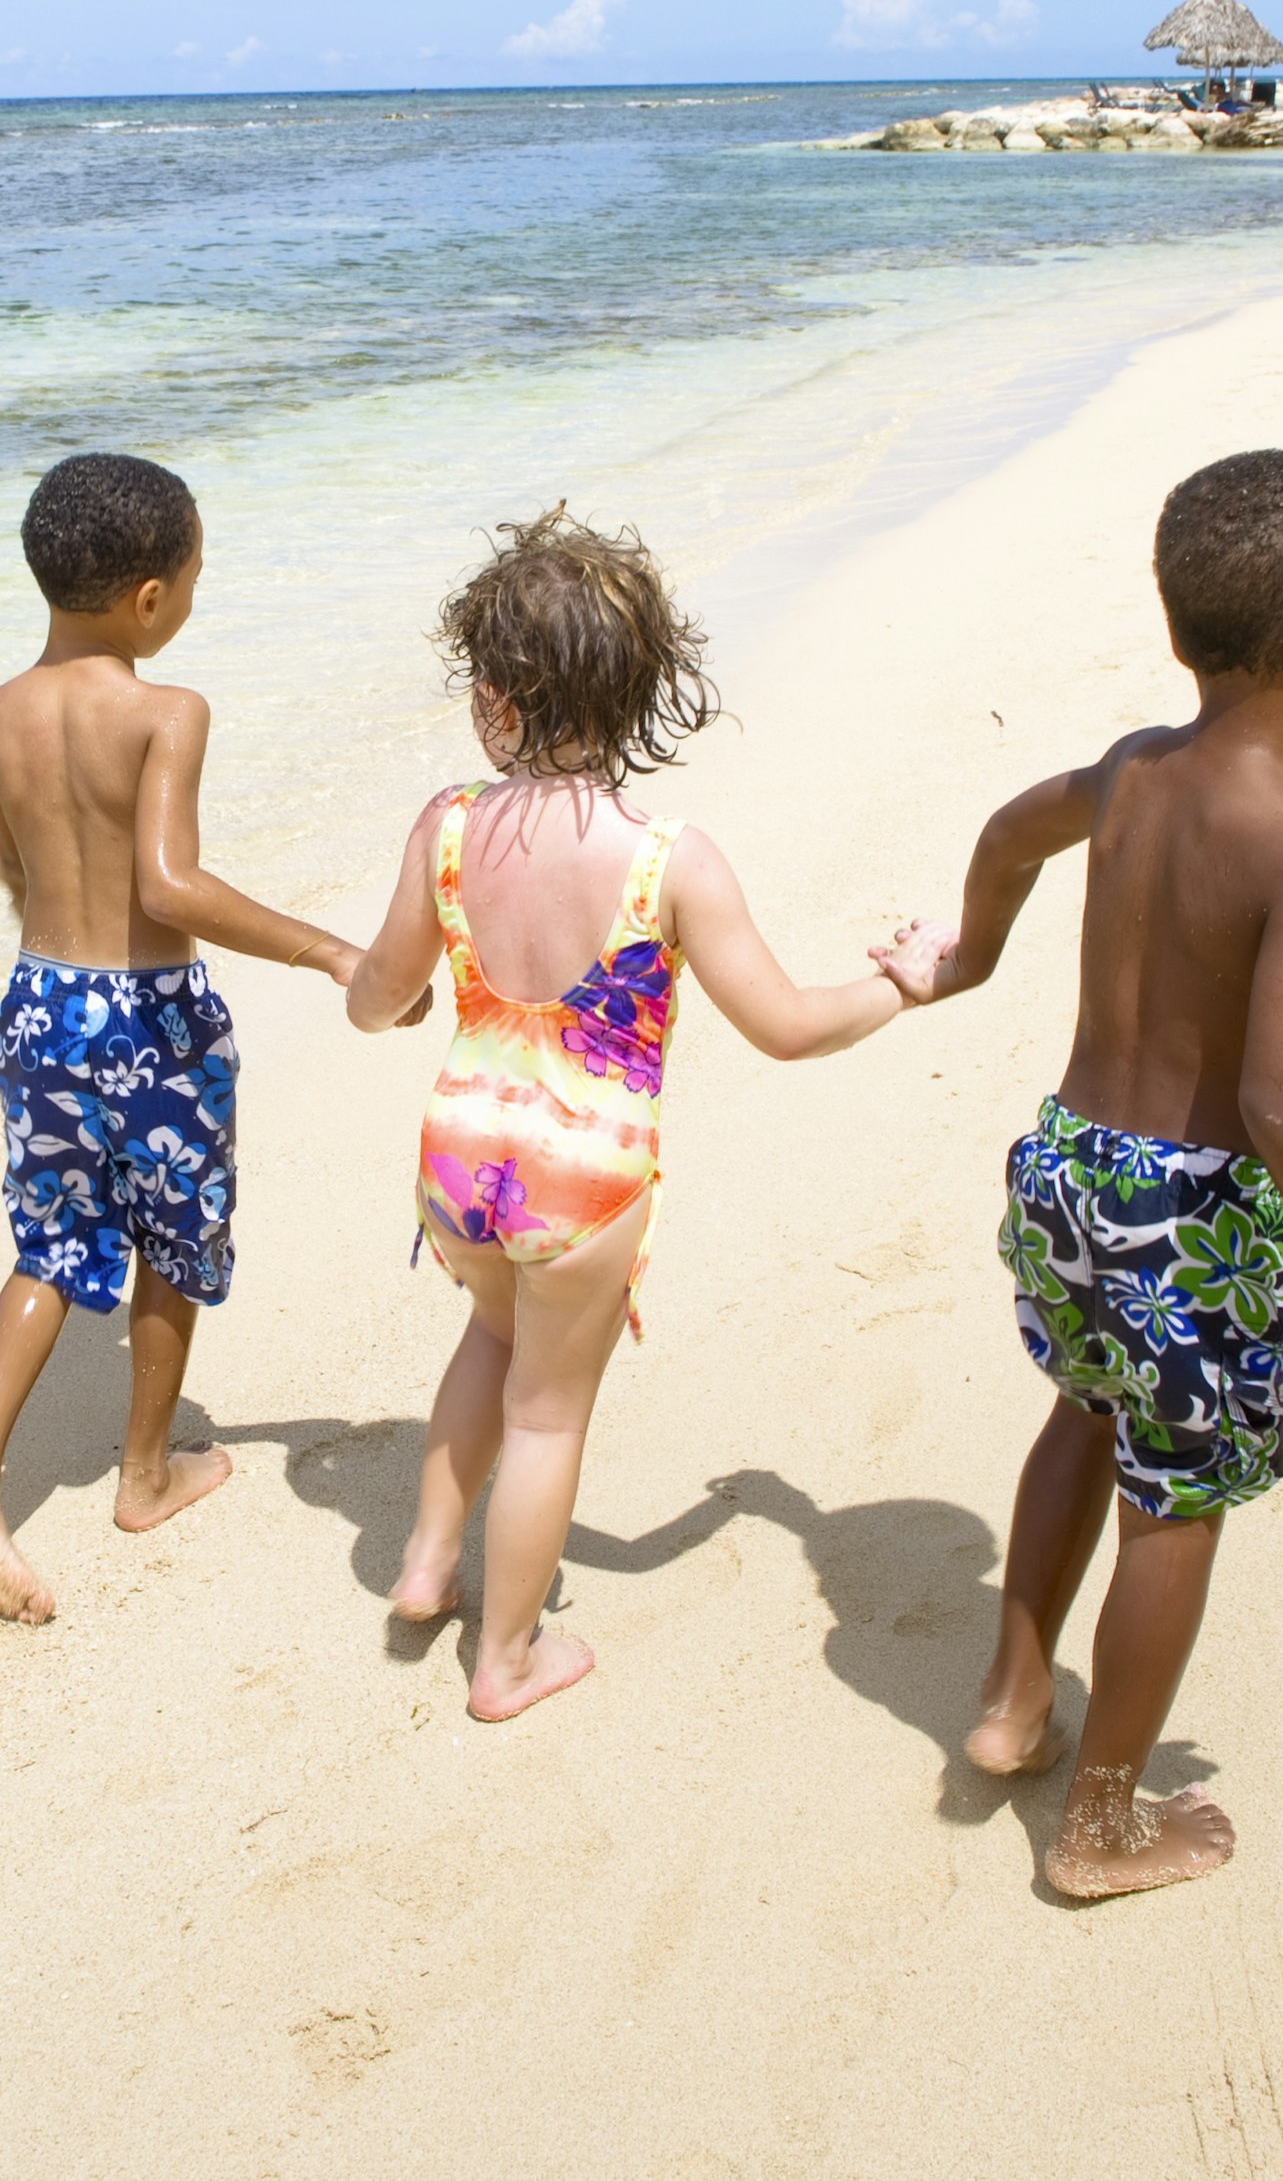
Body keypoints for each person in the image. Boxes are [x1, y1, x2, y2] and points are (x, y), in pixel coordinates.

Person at [876, 446, 1283, 1899]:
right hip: (1193, 1218)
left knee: (1083, 1405)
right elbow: (1279, 1096)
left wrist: (971, 954)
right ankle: (1103, 1822)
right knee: (1174, 1503)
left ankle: (1013, 1702)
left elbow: (1014, 830)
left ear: (1178, 625)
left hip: (1065, 1169)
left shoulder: (1132, 770)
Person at [344, 509, 933, 1721]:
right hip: (583, 1179)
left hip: (459, 1154)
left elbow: (374, 999)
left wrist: (400, 1000)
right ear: (640, 689)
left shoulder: (446, 826)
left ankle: (424, 1560)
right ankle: (505, 1657)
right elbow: (785, 1022)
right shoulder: (671, 861)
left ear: (496, 691)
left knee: (491, 1341)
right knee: (548, 1411)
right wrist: (897, 984)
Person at [0, 453, 367, 1624]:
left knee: (54, 1240)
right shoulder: (169, 711)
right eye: (195, 578)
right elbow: (169, 886)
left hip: (39, 1003)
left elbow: (23, 870)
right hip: (147, 1013)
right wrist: (330, 949)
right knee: (171, 1236)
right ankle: (144, 1471)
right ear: (151, 599)